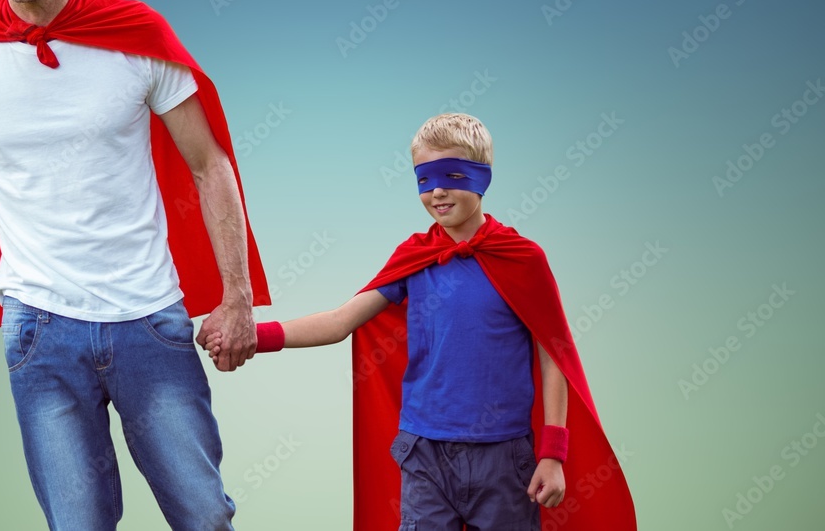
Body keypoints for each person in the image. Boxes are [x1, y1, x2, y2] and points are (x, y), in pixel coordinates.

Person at [0, 0, 269, 531]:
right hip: (38, 328)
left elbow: (209, 163)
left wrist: (238, 294)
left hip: (148, 317)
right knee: (77, 524)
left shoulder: (136, 34)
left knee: (204, 516)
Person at [203, 113, 635, 530]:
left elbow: (552, 353)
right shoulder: (414, 258)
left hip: (505, 457)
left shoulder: (523, 260)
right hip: (423, 452)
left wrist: (553, 452)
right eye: (424, 179)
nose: (437, 192)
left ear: (482, 176)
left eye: (452, 176)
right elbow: (339, 322)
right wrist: (252, 337)